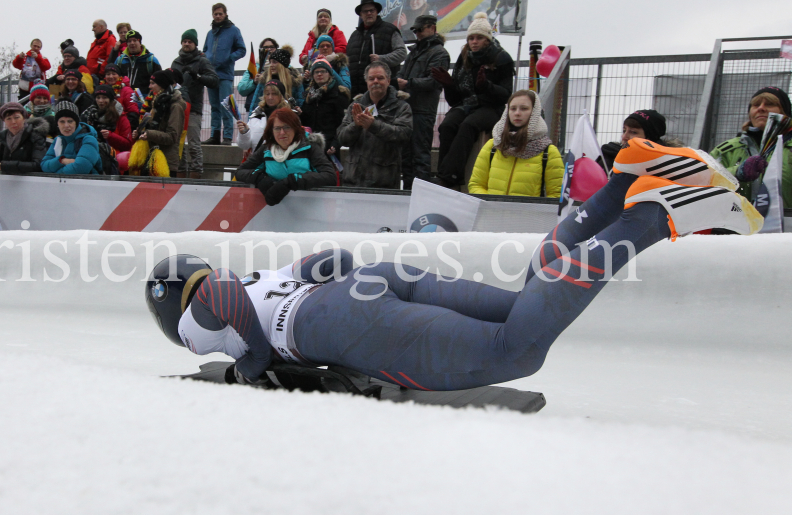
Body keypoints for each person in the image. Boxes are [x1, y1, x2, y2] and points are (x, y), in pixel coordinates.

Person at [145, 142, 763, 390]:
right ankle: (619, 184)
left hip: (334, 323)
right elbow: (331, 259)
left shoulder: (201, 321)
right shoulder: (264, 278)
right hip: (369, 283)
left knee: (515, 350)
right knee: (528, 301)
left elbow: (219, 294)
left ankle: (655, 215)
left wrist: (253, 362)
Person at [431, 11, 514, 188]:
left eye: (478, 38)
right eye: (471, 38)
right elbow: (455, 101)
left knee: (468, 125)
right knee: (447, 125)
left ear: (487, 40)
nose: (474, 42)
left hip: (492, 107)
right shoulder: (464, 57)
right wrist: (449, 85)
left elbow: (506, 94)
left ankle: (449, 177)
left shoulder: (501, 58)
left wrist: (486, 86)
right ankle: (444, 175)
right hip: (467, 104)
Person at [468, 90, 564, 198]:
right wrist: (492, 205)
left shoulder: (548, 151)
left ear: (535, 112)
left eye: (524, 108)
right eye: (513, 108)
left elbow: (556, 195)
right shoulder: (493, 145)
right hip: (493, 213)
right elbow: (476, 184)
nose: (517, 113)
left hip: (527, 214)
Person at [235, 108, 336, 205]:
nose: (282, 132)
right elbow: (240, 171)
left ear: (295, 128)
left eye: (287, 127)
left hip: (309, 211)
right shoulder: (266, 149)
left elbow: (330, 176)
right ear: (271, 131)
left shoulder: (309, 147)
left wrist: (291, 181)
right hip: (270, 213)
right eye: (277, 128)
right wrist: (260, 178)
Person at [336, 61, 413, 188]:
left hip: (384, 183)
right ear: (367, 82)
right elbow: (342, 138)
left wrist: (373, 125)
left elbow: (403, 135)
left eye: (380, 78)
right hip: (353, 182)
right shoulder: (355, 106)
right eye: (371, 78)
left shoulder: (402, 107)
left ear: (388, 80)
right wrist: (356, 125)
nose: (375, 81)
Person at [710, 86, 792, 204]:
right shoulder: (726, 150)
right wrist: (737, 173)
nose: (761, 108)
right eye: (756, 105)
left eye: (769, 104)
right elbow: (704, 181)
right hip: (737, 220)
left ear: (785, 113)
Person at [395, 14, 450, 189]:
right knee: (407, 156)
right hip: (408, 109)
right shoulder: (415, 52)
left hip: (423, 110)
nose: (417, 33)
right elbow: (402, 75)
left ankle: (421, 196)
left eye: (420, 29)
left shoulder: (440, 53)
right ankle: (409, 195)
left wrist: (407, 83)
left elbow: (434, 81)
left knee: (420, 156)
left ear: (432, 28)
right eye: (415, 30)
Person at [172, 29, 220, 178]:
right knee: (178, 143)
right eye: (185, 41)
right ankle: (180, 173)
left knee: (193, 143)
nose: (187, 44)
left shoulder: (202, 60)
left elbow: (214, 80)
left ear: (195, 44)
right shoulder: (176, 62)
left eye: (190, 42)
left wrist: (197, 76)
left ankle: (196, 174)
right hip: (177, 108)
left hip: (194, 108)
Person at [128, 69, 187, 177]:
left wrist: (149, 134)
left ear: (162, 85)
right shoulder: (157, 103)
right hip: (151, 160)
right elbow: (153, 128)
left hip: (166, 163)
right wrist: (140, 133)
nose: (149, 86)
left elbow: (172, 136)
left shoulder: (175, 106)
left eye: (153, 83)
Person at [203, 3, 247, 145]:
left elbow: (242, 49)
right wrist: (205, 62)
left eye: (220, 13)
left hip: (225, 75)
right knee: (214, 106)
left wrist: (229, 58)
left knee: (226, 105)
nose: (218, 16)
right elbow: (205, 51)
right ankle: (214, 135)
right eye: (215, 14)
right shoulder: (210, 33)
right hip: (211, 75)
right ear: (212, 15)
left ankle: (227, 136)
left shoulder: (234, 30)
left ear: (225, 14)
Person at [345, 0, 406, 97]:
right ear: (361, 14)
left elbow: (402, 53)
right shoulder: (354, 35)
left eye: (371, 10)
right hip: (356, 93)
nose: (369, 13)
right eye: (365, 11)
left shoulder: (390, 30)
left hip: (383, 92)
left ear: (376, 12)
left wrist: (381, 59)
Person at [299, 59, 351, 160]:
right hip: (311, 146)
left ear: (330, 74)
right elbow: (306, 121)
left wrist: (336, 144)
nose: (319, 74)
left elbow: (343, 123)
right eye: (316, 72)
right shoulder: (309, 95)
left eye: (323, 71)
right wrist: (300, 113)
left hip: (330, 147)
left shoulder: (339, 95)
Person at [597, 110, 669, 174]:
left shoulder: (666, 164)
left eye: (633, 132)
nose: (624, 137)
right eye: (624, 131)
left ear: (651, 138)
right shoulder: (609, 156)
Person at [40, 101, 102, 175]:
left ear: (76, 122)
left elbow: (81, 167)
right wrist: (62, 161)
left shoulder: (89, 139)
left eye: (70, 121)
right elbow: (44, 165)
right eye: (62, 122)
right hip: (62, 185)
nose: (66, 125)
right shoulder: (57, 140)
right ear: (57, 124)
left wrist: (55, 175)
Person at [0, 101, 49, 175]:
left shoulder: (35, 136)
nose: (13, 122)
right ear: (4, 121)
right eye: (8, 118)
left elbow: (38, 164)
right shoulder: (2, 138)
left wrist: (4, 166)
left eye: (17, 117)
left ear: (24, 118)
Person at [82, 84, 132, 174]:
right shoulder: (88, 115)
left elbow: (128, 144)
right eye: (98, 97)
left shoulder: (120, 117)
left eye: (104, 97)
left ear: (111, 99)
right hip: (92, 157)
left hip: (114, 162)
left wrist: (111, 136)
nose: (101, 101)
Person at [235, 81, 290, 155]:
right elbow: (245, 146)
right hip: (258, 161)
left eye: (274, 94)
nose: (270, 97)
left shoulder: (290, 115)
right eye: (267, 94)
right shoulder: (256, 115)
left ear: (281, 96)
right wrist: (244, 133)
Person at [248, 47, 303, 113]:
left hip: (287, 118)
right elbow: (255, 104)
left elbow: (300, 103)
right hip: (266, 118)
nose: (271, 65)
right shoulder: (263, 80)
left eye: (274, 62)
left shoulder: (295, 81)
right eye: (270, 62)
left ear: (282, 64)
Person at [112, 29, 160, 97]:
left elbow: (159, 81)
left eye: (135, 40)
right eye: (129, 41)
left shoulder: (151, 60)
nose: (132, 43)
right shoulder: (120, 60)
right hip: (124, 98)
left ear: (140, 42)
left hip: (145, 99)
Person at [237, 38, 278, 111]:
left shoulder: (284, 66)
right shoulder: (254, 67)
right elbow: (241, 89)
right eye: (265, 47)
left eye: (272, 47)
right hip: (255, 108)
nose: (269, 49)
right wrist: (254, 82)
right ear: (261, 50)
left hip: (277, 106)